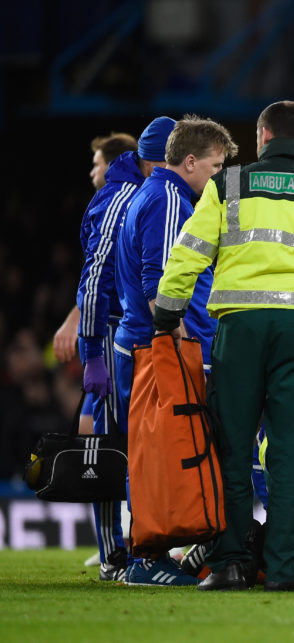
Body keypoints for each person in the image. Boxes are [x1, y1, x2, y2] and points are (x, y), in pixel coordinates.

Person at [154, 101, 294, 592]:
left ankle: (230, 564)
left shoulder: (227, 185)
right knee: (291, 453)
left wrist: (167, 313)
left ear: (262, 136)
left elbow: (190, 252)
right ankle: (287, 571)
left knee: (231, 446)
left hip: (240, 331)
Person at [116, 115, 237, 586]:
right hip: (161, 350)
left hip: (150, 347)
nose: (216, 178)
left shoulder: (157, 194)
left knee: (160, 456)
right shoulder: (169, 200)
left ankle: (163, 551)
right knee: (159, 459)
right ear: (189, 162)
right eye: (214, 167)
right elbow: (160, 285)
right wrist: (182, 346)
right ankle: (146, 556)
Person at [68, 120, 166, 582]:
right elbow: (92, 283)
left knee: (139, 444)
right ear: (155, 162)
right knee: (111, 445)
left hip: (130, 333)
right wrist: (90, 353)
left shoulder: (143, 192)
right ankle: (113, 553)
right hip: (112, 335)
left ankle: (140, 543)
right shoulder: (121, 197)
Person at [53, 132, 139, 368]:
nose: (92, 173)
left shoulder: (113, 207)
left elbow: (100, 278)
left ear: (111, 165)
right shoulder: (137, 200)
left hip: (115, 329)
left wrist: (87, 343)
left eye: (96, 165)